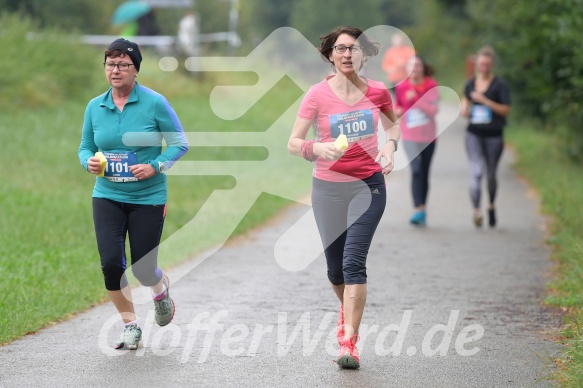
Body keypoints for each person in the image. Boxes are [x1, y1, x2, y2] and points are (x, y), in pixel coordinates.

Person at [287, 26, 400, 369]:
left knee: (353, 264)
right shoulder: (317, 95)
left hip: (369, 186)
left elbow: (393, 126)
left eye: (353, 49)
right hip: (328, 188)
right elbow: (293, 141)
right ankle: (347, 308)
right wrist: (314, 147)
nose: (347, 54)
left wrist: (390, 147)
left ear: (363, 55)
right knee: (335, 270)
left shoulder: (378, 92)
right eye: (341, 49)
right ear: (330, 55)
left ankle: (348, 343)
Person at [78, 38, 189, 349]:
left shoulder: (155, 103)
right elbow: (86, 145)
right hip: (107, 194)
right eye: (110, 64)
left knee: (142, 266)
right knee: (112, 263)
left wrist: (155, 165)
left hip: (148, 197)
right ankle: (130, 325)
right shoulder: (95, 106)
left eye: (123, 64)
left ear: (135, 69)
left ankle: (159, 290)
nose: (116, 70)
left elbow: (180, 143)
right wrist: (87, 161)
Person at [461, 46, 511, 227]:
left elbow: (506, 110)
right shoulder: (470, 83)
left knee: (490, 174)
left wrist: (486, 101)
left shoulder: (500, 85)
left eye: (487, 64)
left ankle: (490, 205)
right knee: (476, 172)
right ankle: (476, 211)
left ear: (492, 65)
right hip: (474, 134)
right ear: (477, 64)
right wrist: (464, 109)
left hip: (494, 136)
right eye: (481, 64)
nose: (484, 67)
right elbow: (465, 100)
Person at [394, 56, 439, 226]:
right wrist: (397, 110)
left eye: (418, 65)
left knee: (425, 172)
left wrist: (416, 100)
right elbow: (398, 106)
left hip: (429, 136)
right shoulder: (401, 86)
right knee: (416, 170)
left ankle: (422, 208)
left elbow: (433, 111)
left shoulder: (431, 86)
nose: (415, 69)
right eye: (411, 66)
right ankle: (417, 209)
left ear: (422, 68)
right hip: (410, 135)